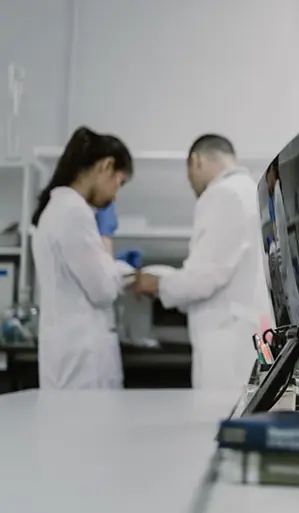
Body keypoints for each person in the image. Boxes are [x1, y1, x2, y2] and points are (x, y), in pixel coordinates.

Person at [133, 134, 272, 389]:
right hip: (247, 336)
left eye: (189, 177)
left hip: (226, 345)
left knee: (219, 411)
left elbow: (202, 279)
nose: (192, 186)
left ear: (196, 161)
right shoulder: (251, 191)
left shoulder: (221, 194)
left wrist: (158, 284)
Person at [31, 126, 136, 389]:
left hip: (72, 360)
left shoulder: (61, 208)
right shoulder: (73, 211)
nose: (115, 195)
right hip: (82, 368)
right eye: (119, 182)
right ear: (106, 166)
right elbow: (102, 290)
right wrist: (116, 261)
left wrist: (112, 267)